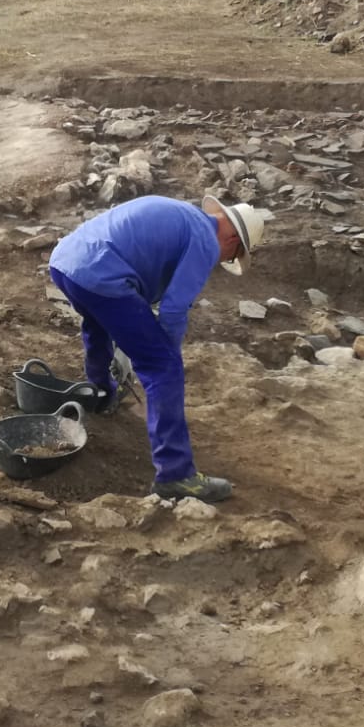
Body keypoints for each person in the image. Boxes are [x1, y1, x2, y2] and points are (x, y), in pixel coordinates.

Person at [47, 195, 269, 504]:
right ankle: (176, 475)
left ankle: (99, 392)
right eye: (233, 256)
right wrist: (167, 354)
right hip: (101, 274)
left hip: (66, 263)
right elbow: (174, 310)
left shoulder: (184, 216)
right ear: (232, 238)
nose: (224, 261)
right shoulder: (206, 240)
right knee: (163, 368)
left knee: (97, 321)